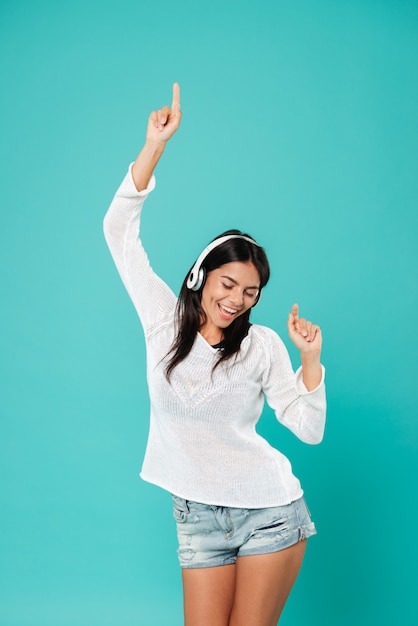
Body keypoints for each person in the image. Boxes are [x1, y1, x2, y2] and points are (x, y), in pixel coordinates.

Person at [103, 83, 326, 626]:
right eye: (228, 284)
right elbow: (119, 233)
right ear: (202, 276)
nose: (236, 300)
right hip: (196, 513)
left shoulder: (262, 345)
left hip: (269, 512)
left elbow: (308, 429)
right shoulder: (163, 320)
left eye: (250, 293)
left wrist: (311, 361)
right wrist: (154, 145)